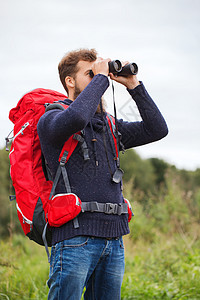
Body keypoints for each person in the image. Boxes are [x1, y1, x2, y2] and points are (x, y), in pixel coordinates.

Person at [37, 48, 168, 300]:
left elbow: (157, 129)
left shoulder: (109, 125)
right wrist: (101, 79)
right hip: (75, 239)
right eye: (90, 73)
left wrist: (133, 85)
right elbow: (76, 117)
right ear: (70, 81)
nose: (101, 78)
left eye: (101, 73)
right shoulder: (51, 119)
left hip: (114, 238)